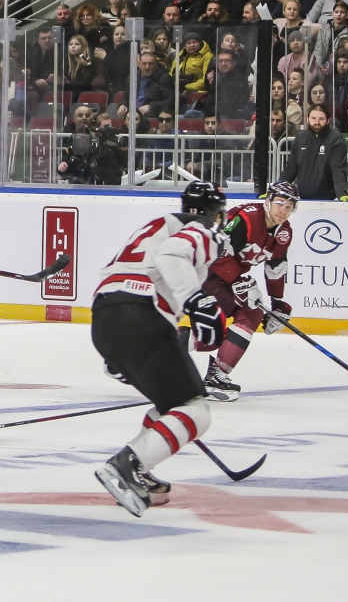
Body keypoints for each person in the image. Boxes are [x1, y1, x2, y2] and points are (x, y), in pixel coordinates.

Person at [91, 181, 227, 517]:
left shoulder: (157, 226)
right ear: (214, 213)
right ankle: (128, 465)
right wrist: (198, 302)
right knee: (196, 411)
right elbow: (173, 257)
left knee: (171, 405)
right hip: (140, 313)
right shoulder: (203, 228)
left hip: (105, 318)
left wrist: (120, 351)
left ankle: (140, 468)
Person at [185, 181, 298, 401]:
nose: (283, 210)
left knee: (213, 336)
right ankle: (216, 375)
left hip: (220, 279)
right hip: (204, 272)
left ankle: (154, 345)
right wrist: (239, 281)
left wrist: (277, 304)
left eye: (289, 206)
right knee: (248, 314)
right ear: (268, 201)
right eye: (279, 203)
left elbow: (275, 268)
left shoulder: (284, 233)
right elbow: (217, 252)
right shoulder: (247, 219)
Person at [280, 104, 348, 200]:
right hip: (302, 199)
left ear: (328, 121)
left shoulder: (336, 139)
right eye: (313, 118)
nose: (317, 122)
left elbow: (338, 168)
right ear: (307, 119)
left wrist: (341, 193)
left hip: (328, 200)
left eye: (321, 119)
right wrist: (277, 190)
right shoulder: (300, 138)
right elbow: (291, 168)